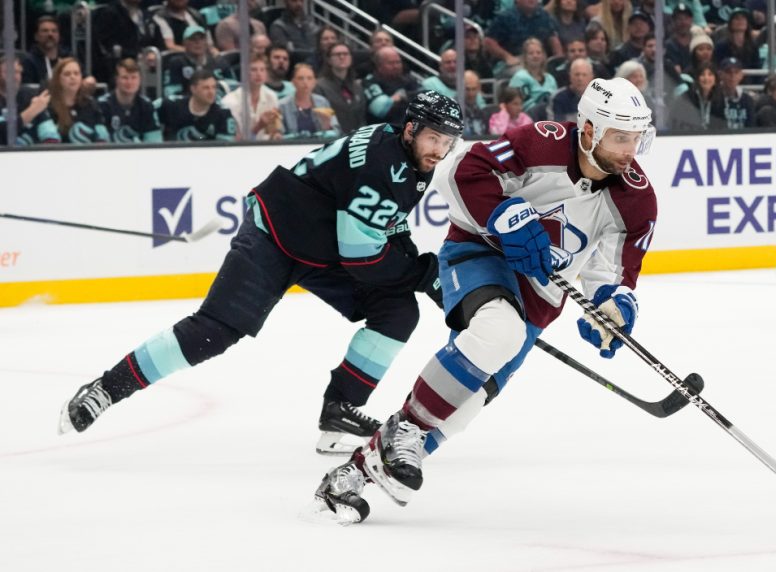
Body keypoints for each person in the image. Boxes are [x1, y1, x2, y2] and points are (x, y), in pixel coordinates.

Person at [312, 77, 659, 524]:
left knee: (462, 408)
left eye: (638, 138)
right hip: (480, 253)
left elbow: (612, 272)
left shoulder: (637, 200)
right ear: (589, 130)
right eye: (621, 138)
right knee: (499, 332)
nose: (632, 151)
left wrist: (611, 307)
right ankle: (406, 430)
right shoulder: (541, 144)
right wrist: (504, 215)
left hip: (540, 297)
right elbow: (463, 171)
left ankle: (355, 471)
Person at [58, 91, 464, 459]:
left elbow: (387, 225)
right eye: (434, 139)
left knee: (396, 312)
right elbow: (362, 259)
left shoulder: (406, 153)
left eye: (447, 142)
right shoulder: (383, 164)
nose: (439, 150)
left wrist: (420, 270)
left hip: (322, 246)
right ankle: (107, 388)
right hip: (275, 234)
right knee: (214, 331)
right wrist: (422, 274)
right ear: (411, 129)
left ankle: (340, 409)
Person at [155, 69, 237, 141]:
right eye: (206, 88)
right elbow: (148, 109)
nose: (211, 92)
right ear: (193, 89)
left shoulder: (223, 113)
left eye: (214, 87)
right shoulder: (171, 105)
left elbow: (225, 148)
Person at [97, 58, 163, 143]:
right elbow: (99, 143)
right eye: (125, 78)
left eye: (134, 77)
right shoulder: (102, 105)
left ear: (140, 80)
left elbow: (154, 143)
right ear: (116, 80)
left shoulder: (147, 106)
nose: (129, 82)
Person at [0, 55, 60, 145]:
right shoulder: (35, 105)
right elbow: (3, 133)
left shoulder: (30, 97)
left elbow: (51, 136)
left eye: (17, 72)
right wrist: (32, 111)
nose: (14, 76)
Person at [47, 58, 110, 144]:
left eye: (76, 73)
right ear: (58, 79)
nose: (72, 77)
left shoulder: (91, 105)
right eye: (67, 74)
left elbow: (102, 138)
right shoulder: (49, 105)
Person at [163, 25, 235, 100]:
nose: (197, 42)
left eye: (201, 39)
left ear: (206, 42)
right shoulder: (177, 63)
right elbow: (171, 93)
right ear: (184, 43)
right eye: (193, 39)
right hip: (187, 105)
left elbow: (234, 86)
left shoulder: (219, 62)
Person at [221, 53, 281, 141]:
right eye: (253, 70)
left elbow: (274, 131)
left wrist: (275, 135)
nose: (258, 74)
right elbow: (237, 141)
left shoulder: (272, 96)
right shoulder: (230, 102)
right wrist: (258, 126)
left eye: (262, 70)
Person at [314, 42, 367, 134]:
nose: (342, 57)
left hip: (356, 139)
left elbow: (362, 117)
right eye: (337, 54)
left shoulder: (358, 87)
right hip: (333, 138)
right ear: (329, 60)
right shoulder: (319, 86)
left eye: (345, 54)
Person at [278, 63, 341, 139]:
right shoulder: (282, 105)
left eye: (309, 78)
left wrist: (327, 127)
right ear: (293, 82)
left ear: (314, 82)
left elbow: (337, 132)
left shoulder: (323, 102)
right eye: (300, 78)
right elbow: (279, 136)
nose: (305, 82)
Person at [362, 47, 420, 125]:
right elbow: (381, 110)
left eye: (398, 62)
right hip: (382, 129)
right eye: (391, 63)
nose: (396, 66)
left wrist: (399, 97)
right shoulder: (369, 82)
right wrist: (403, 98)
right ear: (379, 66)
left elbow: (421, 99)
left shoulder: (409, 79)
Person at [508, 37, 558, 113]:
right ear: (525, 57)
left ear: (543, 56)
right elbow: (518, 105)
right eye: (531, 53)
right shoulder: (520, 77)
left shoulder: (550, 78)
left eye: (538, 53)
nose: (535, 56)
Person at [21, 16, 72, 85]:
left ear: (59, 36)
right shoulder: (28, 61)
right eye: (45, 31)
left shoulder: (68, 57)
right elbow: (28, 89)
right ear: (36, 36)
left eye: (54, 31)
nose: (50, 34)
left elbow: (84, 76)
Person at [711, 57, 754, 129]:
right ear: (720, 74)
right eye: (728, 72)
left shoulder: (747, 100)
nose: (733, 76)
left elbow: (751, 126)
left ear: (741, 75)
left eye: (736, 72)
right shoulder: (713, 98)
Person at [547, 57, 593, 122]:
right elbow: (556, 127)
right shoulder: (558, 98)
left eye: (584, 75)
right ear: (570, 76)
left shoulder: (599, 98)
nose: (580, 79)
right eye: (577, 74)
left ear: (591, 77)